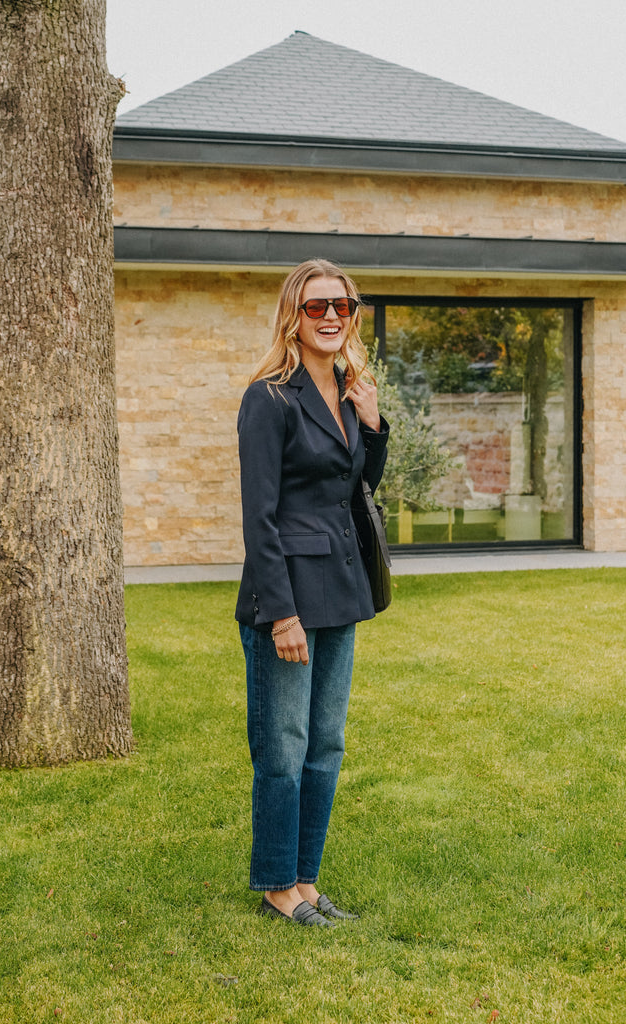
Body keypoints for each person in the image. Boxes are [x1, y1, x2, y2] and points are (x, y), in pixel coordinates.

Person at [235, 258, 389, 927]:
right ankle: (277, 886)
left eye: (342, 306)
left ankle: (305, 880)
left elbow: (357, 488)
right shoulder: (268, 399)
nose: (330, 317)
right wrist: (281, 615)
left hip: (341, 591)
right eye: (316, 306)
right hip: (287, 599)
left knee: (325, 745)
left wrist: (373, 425)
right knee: (283, 747)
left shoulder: (349, 390)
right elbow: (260, 518)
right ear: (292, 317)